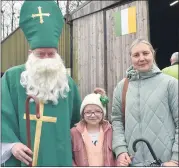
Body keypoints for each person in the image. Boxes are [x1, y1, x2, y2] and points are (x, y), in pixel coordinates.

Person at [1, 1, 81, 166]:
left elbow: (78, 124)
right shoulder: (11, 79)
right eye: (40, 54)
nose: (46, 59)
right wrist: (11, 145)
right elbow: (2, 117)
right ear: (31, 53)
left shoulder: (68, 85)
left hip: (59, 160)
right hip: (20, 159)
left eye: (50, 54)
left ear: (57, 54)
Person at [111, 38, 178, 166]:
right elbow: (117, 120)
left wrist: (176, 159)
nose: (141, 58)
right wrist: (120, 150)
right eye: (136, 55)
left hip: (165, 162)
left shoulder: (170, 84)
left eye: (145, 53)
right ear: (130, 58)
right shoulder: (122, 87)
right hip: (133, 161)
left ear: (152, 54)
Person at [71, 88, 116, 166]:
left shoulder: (111, 131)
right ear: (83, 114)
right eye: (88, 112)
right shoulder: (74, 133)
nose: (92, 115)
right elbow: (69, 157)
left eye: (97, 111)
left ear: (103, 113)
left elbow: (117, 157)